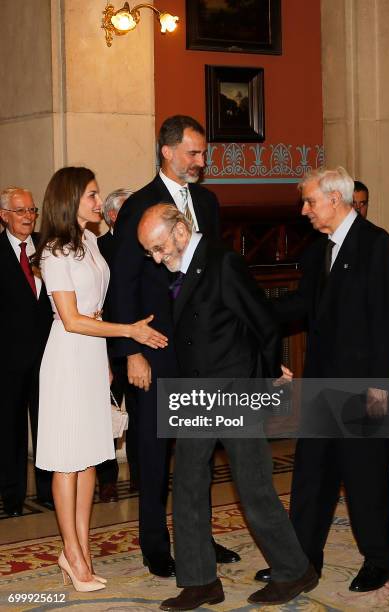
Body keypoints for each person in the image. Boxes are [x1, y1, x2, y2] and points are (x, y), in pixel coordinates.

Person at [137, 203, 318, 610]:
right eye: (150, 251)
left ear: (180, 232)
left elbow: (263, 322)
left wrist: (268, 375)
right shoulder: (184, 264)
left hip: (234, 389)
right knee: (185, 483)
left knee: (253, 486)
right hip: (197, 392)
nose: (156, 257)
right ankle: (200, 581)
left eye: (158, 247)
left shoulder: (223, 262)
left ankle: (294, 570)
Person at [255, 167, 389, 592]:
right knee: (311, 474)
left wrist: (380, 393)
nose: (304, 210)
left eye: (309, 202)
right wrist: (250, 306)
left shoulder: (376, 245)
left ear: (334, 200)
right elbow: (302, 303)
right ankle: (302, 558)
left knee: (365, 476)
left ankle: (380, 559)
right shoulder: (318, 248)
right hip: (320, 384)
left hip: (363, 387)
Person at [108, 115, 237, 577]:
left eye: (203, 153)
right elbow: (122, 284)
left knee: (200, 448)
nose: (201, 161)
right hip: (155, 346)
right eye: (193, 153)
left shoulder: (207, 201)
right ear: (167, 151)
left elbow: (217, 274)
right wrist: (131, 352)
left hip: (203, 349)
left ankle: (198, 536)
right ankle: (154, 544)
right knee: (154, 447)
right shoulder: (138, 206)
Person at [33, 167, 168, 592]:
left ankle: (83, 549)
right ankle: (71, 554)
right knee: (67, 461)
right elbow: (71, 320)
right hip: (67, 356)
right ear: (70, 200)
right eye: (91, 195)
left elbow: (96, 312)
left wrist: (107, 359)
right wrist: (129, 332)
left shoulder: (90, 241)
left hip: (92, 355)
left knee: (92, 456)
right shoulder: (54, 251)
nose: (98, 201)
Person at [0, 187, 53, 516]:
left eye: (32, 210)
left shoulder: (47, 249)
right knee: (10, 427)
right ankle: (12, 494)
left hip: (48, 354)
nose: (28, 217)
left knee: (47, 424)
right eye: (20, 211)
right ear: (4, 215)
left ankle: (48, 491)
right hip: (7, 358)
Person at [353, 179, 389, 472]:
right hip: (353, 345)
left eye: (364, 204)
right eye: (355, 203)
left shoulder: (379, 242)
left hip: (377, 341)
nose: (359, 209)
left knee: (380, 397)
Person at [96, 188, 136, 503]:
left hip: (139, 343)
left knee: (143, 411)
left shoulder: (145, 246)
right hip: (108, 346)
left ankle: (141, 473)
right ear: (112, 216)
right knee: (105, 413)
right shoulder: (98, 249)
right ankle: (107, 480)